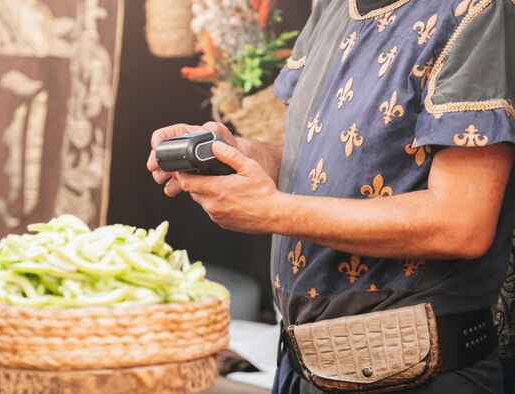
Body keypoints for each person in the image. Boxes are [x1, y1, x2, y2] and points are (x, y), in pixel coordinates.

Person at [147, 0, 515, 392]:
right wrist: (241, 152)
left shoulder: (475, 11)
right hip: (302, 368)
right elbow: (323, 169)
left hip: (415, 374)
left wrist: (273, 211)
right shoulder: (334, 6)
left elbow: (461, 224)